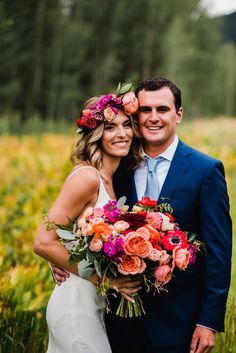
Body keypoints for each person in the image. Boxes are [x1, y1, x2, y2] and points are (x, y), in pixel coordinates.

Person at [52, 77, 232, 353]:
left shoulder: (205, 170)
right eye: (145, 110)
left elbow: (219, 253)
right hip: (116, 320)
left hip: (177, 323)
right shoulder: (118, 165)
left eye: (162, 109)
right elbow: (79, 220)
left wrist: (208, 322)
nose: (153, 117)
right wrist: (65, 258)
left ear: (178, 114)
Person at [33, 87, 143, 353]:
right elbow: (43, 242)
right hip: (75, 308)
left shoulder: (113, 181)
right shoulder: (87, 177)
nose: (121, 133)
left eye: (126, 125)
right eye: (110, 127)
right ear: (96, 134)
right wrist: (108, 281)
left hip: (93, 308)